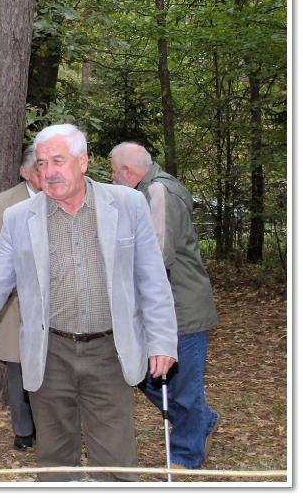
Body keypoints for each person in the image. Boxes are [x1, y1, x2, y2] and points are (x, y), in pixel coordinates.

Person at [0, 123, 178, 482]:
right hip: (50, 354)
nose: (49, 172)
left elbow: (152, 279)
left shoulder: (128, 205)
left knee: (116, 463)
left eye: (58, 161)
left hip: (111, 351)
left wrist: (162, 341)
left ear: (83, 162)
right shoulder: (19, 219)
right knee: (55, 465)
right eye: (42, 163)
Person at [110, 141, 219, 469]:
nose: (113, 180)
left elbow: (156, 255)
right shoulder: (148, 190)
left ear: (129, 172)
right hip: (164, 306)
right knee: (140, 374)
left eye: (114, 174)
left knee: (182, 384)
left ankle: (187, 456)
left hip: (180, 308)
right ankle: (203, 420)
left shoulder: (158, 192)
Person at [0, 146, 41, 451]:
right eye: (37, 166)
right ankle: (23, 430)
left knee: (50, 367)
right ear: (23, 172)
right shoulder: (5, 203)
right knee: (18, 369)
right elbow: (0, 255)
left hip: (56, 304)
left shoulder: (58, 197)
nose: (43, 172)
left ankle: (49, 427)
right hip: (16, 300)